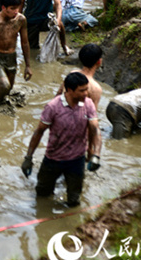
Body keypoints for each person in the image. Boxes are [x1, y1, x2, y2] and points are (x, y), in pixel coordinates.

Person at [21, 72, 101, 207]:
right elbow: (39, 132)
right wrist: (28, 158)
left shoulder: (88, 104)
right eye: (82, 90)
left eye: (87, 89)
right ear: (69, 90)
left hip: (77, 160)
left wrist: (96, 154)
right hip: (53, 159)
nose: (86, 93)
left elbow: (95, 130)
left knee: (74, 200)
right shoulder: (53, 107)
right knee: (42, 194)